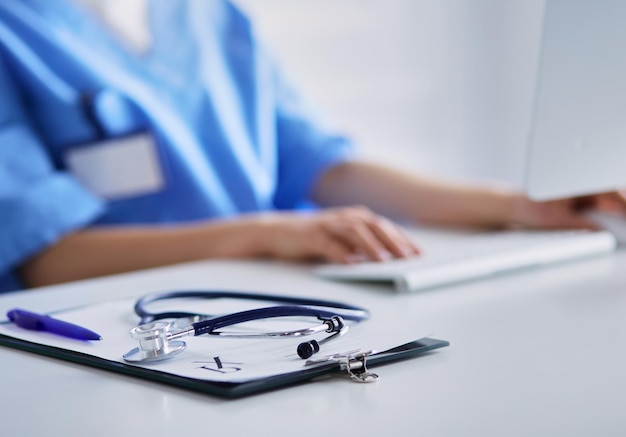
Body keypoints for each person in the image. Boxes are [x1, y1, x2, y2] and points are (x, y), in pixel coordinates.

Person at [0, 0, 623, 293]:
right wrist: (263, 234)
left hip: (263, 306)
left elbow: (325, 168)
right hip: (98, 332)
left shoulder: (205, 13)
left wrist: (516, 205)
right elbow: (41, 257)